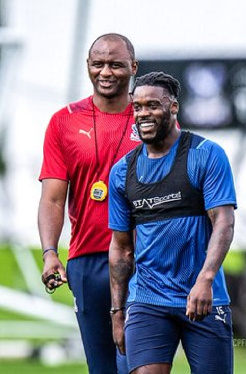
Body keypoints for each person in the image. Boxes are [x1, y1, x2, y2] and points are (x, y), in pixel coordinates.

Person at [108, 71, 237, 374]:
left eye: (152, 105)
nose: (143, 114)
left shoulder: (206, 154)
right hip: (147, 300)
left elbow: (224, 223)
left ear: (173, 107)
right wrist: (117, 311)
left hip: (204, 297)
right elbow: (121, 248)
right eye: (137, 107)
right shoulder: (122, 172)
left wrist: (205, 279)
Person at [38, 33, 140, 374]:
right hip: (88, 261)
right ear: (88, 66)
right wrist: (50, 252)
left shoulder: (150, 117)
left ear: (133, 68)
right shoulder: (63, 121)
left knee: (140, 363)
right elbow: (52, 197)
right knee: (103, 366)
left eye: (116, 64)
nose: (106, 72)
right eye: (98, 64)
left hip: (142, 258)